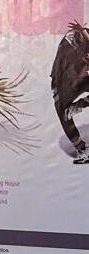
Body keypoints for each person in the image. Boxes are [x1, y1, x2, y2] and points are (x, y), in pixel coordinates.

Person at [51, 21, 89, 164]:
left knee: (65, 111)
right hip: (65, 81)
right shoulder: (75, 39)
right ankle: (82, 149)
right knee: (63, 111)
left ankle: (77, 106)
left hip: (80, 77)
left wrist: (80, 104)